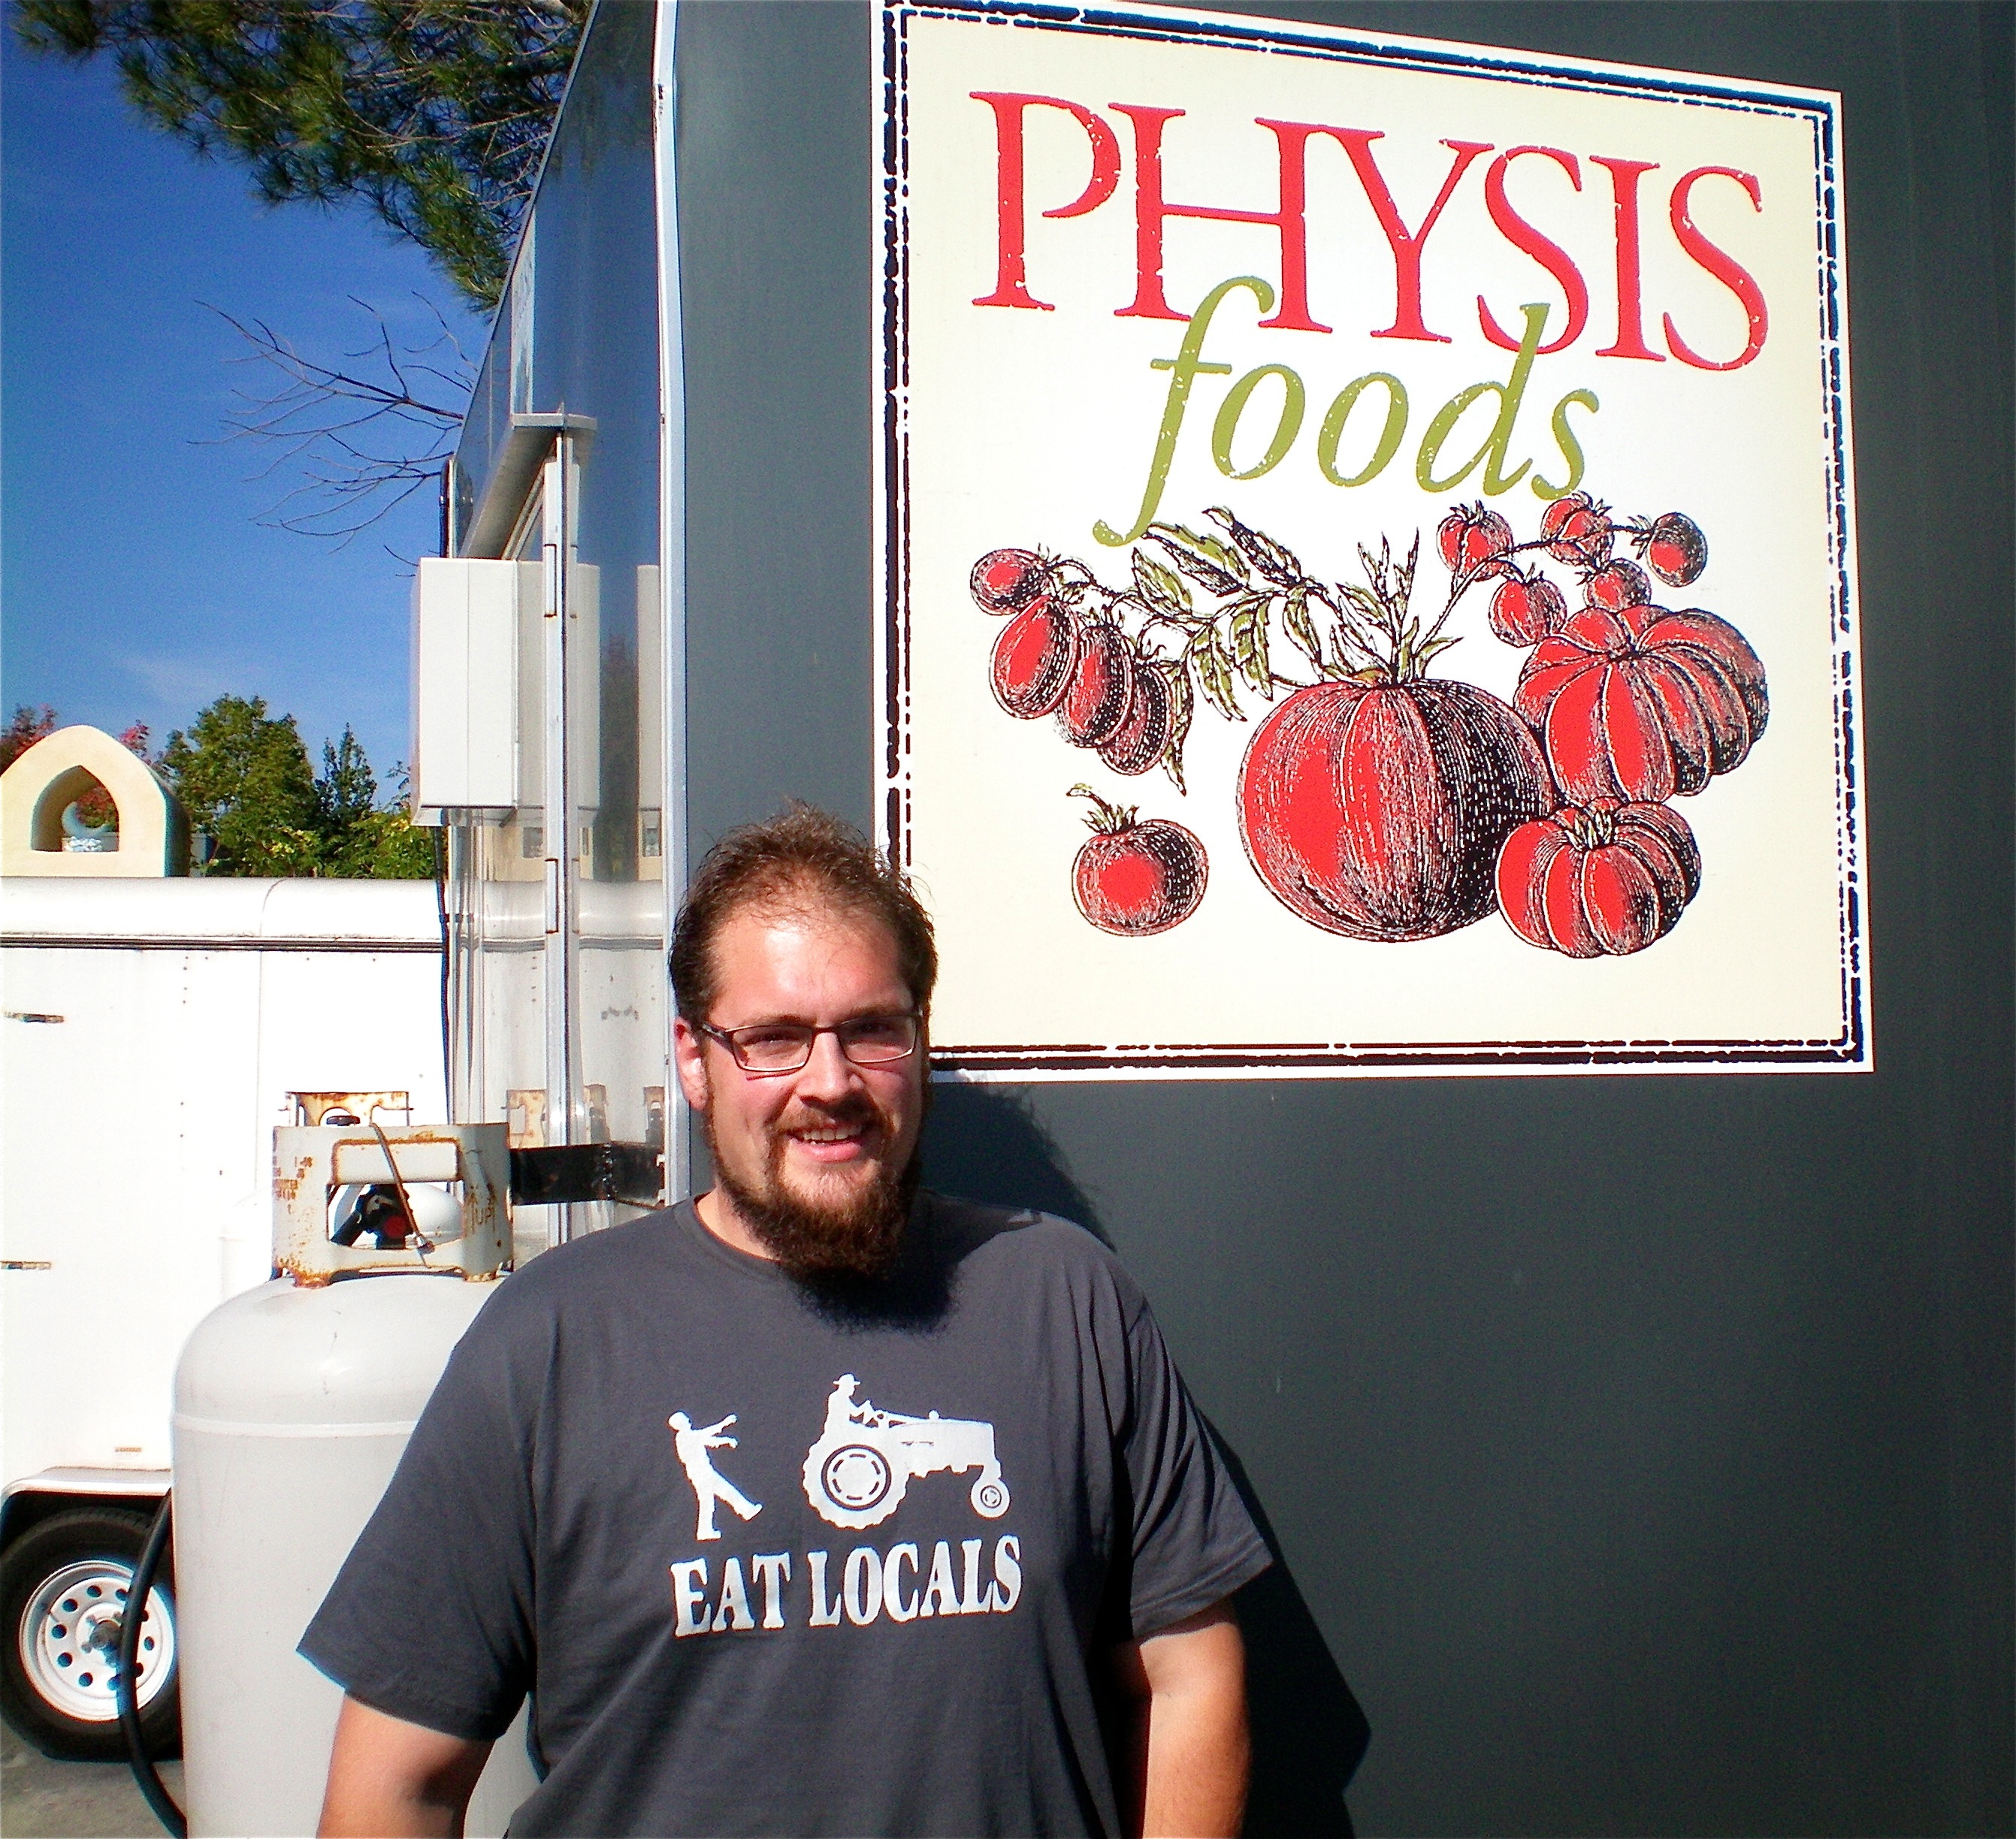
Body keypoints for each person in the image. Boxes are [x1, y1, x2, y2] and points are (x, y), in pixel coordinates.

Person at [304, 805, 1271, 1838]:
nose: (831, 1083)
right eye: (772, 1039)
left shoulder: (1067, 1302)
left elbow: (1188, 1680)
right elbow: (397, 1782)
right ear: (693, 1059)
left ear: (919, 1038)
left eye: (871, 1029)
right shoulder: (550, 1339)